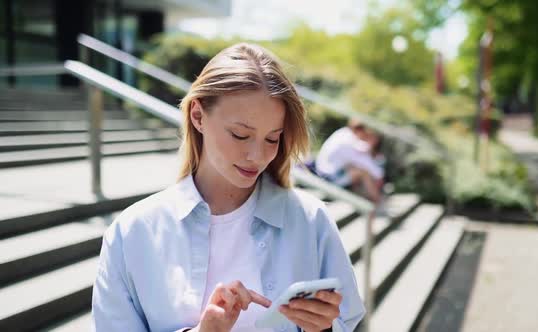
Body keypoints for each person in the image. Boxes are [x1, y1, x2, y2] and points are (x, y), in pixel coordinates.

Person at [91, 43, 365, 332]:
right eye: (240, 135)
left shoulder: (311, 221)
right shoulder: (132, 232)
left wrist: (323, 329)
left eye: (272, 139)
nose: (258, 156)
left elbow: (348, 320)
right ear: (198, 116)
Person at [315, 120, 384, 203]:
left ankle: (369, 200)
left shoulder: (343, 133)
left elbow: (360, 153)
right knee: (363, 173)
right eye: (365, 133)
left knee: (357, 169)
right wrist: (379, 176)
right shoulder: (347, 142)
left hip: (329, 171)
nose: (365, 137)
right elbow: (364, 162)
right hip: (328, 178)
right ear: (360, 131)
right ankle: (377, 200)